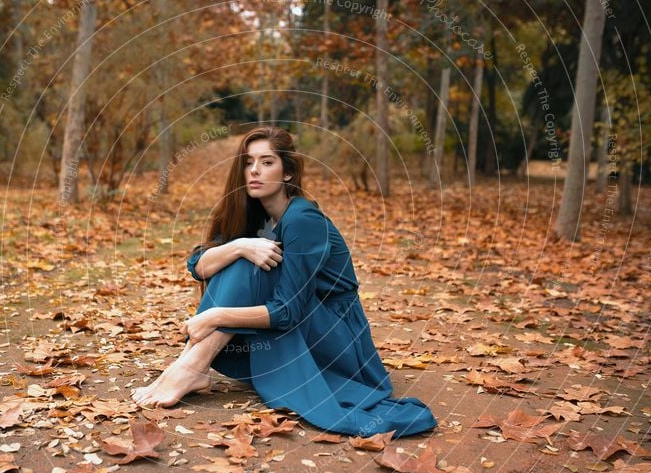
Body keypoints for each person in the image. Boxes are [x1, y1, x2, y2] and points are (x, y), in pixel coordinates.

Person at [132, 126, 436, 438]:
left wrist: (216, 316)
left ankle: (192, 366)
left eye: (267, 162)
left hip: (336, 338)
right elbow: (198, 266)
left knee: (252, 266)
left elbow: (286, 311)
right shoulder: (256, 216)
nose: (254, 171)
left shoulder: (302, 219)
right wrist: (240, 245)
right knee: (240, 256)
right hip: (307, 322)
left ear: (288, 173)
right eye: (249, 163)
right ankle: (191, 366)